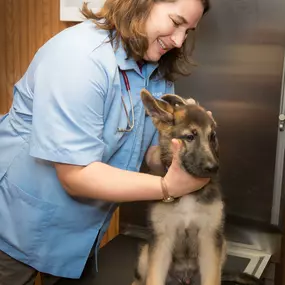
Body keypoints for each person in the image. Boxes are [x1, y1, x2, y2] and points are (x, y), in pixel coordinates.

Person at [0, 0, 210, 284]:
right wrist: (167, 187)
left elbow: (141, 151)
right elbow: (76, 175)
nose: (179, 40)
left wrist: (181, 154)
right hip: (16, 227)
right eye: (175, 22)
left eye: (188, 30)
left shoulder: (156, 72)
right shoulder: (80, 57)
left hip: (80, 235)